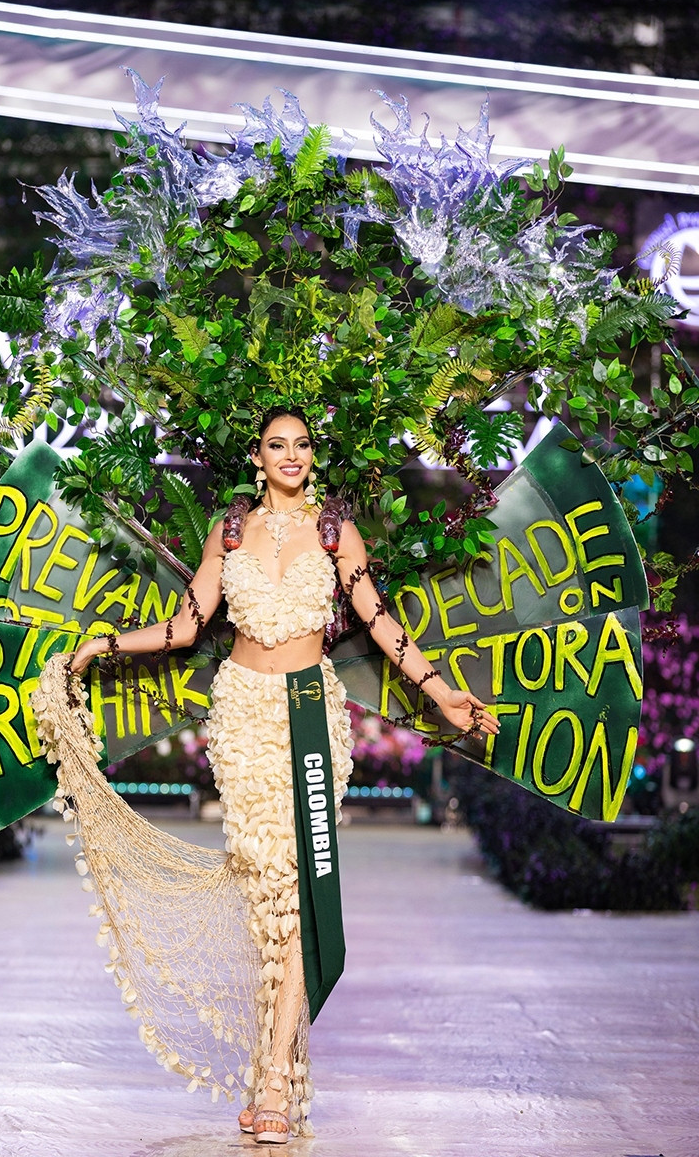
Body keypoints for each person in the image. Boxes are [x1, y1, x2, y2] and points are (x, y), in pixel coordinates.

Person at [65, 406, 499, 1144]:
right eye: (277, 445)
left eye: (301, 445)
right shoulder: (229, 531)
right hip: (241, 717)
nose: (291, 456)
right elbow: (186, 626)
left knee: (301, 887)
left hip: (307, 714)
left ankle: (272, 1079)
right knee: (265, 895)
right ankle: (281, 1066)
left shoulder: (335, 531)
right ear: (258, 458)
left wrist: (440, 691)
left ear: (310, 456)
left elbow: (380, 621)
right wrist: (101, 645)